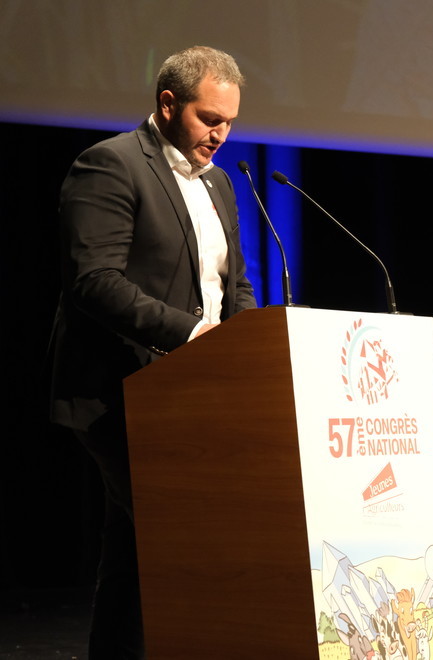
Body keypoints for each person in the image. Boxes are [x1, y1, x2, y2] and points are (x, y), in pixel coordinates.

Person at [48, 46, 257, 658]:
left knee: (137, 552)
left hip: (195, 396)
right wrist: (194, 337)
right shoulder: (109, 166)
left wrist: (243, 351)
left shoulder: (219, 183)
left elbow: (232, 284)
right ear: (168, 103)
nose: (220, 134)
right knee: (177, 535)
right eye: (208, 118)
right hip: (120, 392)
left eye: (229, 122)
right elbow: (94, 281)